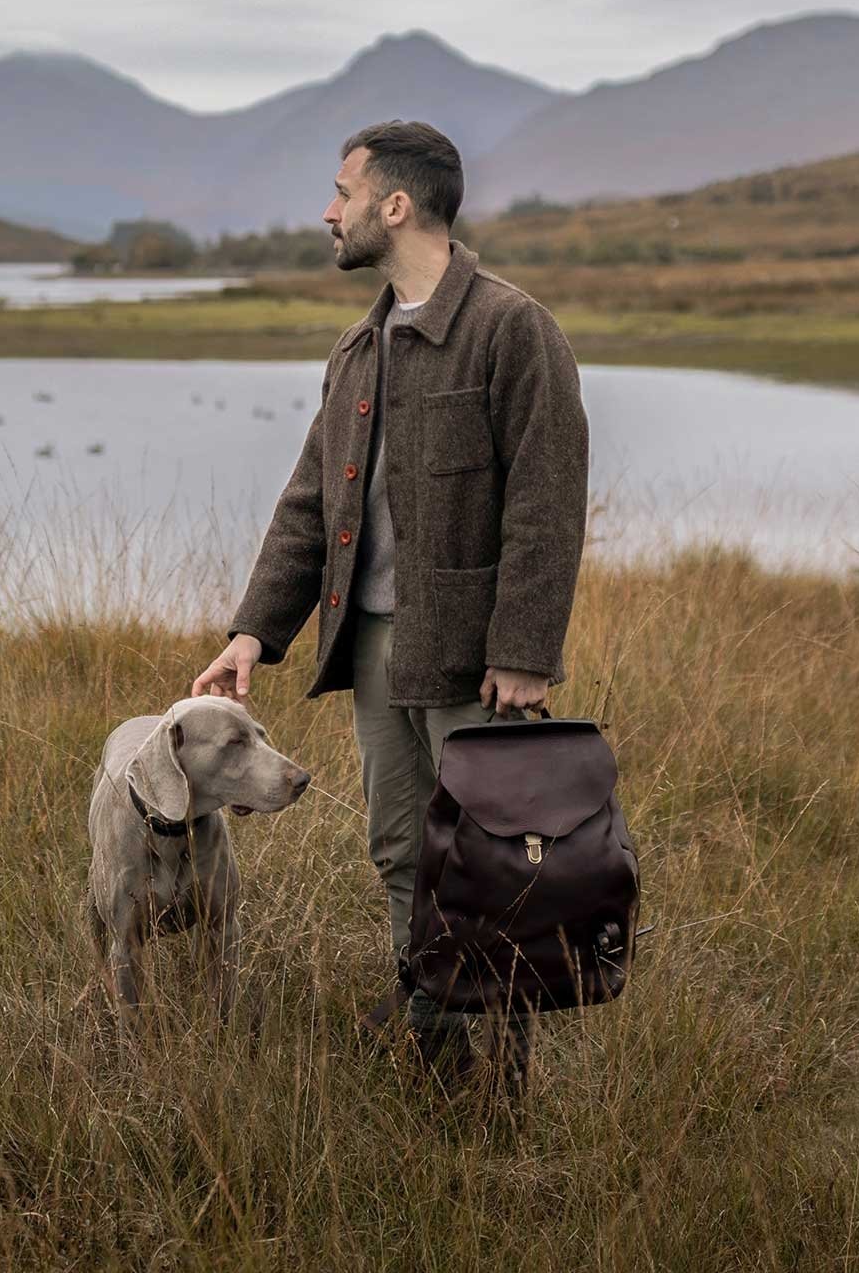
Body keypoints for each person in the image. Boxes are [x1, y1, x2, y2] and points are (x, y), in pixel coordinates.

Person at [190, 119, 590, 1092]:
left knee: (493, 868)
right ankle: (435, 1044)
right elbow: (308, 506)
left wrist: (525, 651)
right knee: (403, 851)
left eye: (343, 192)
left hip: (474, 659)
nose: (329, 213)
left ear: (396, 205)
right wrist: (254, 631)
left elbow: (546, 503)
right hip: (374, 650)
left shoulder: (510, 329)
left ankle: (504, 1076)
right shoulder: (355, 352)